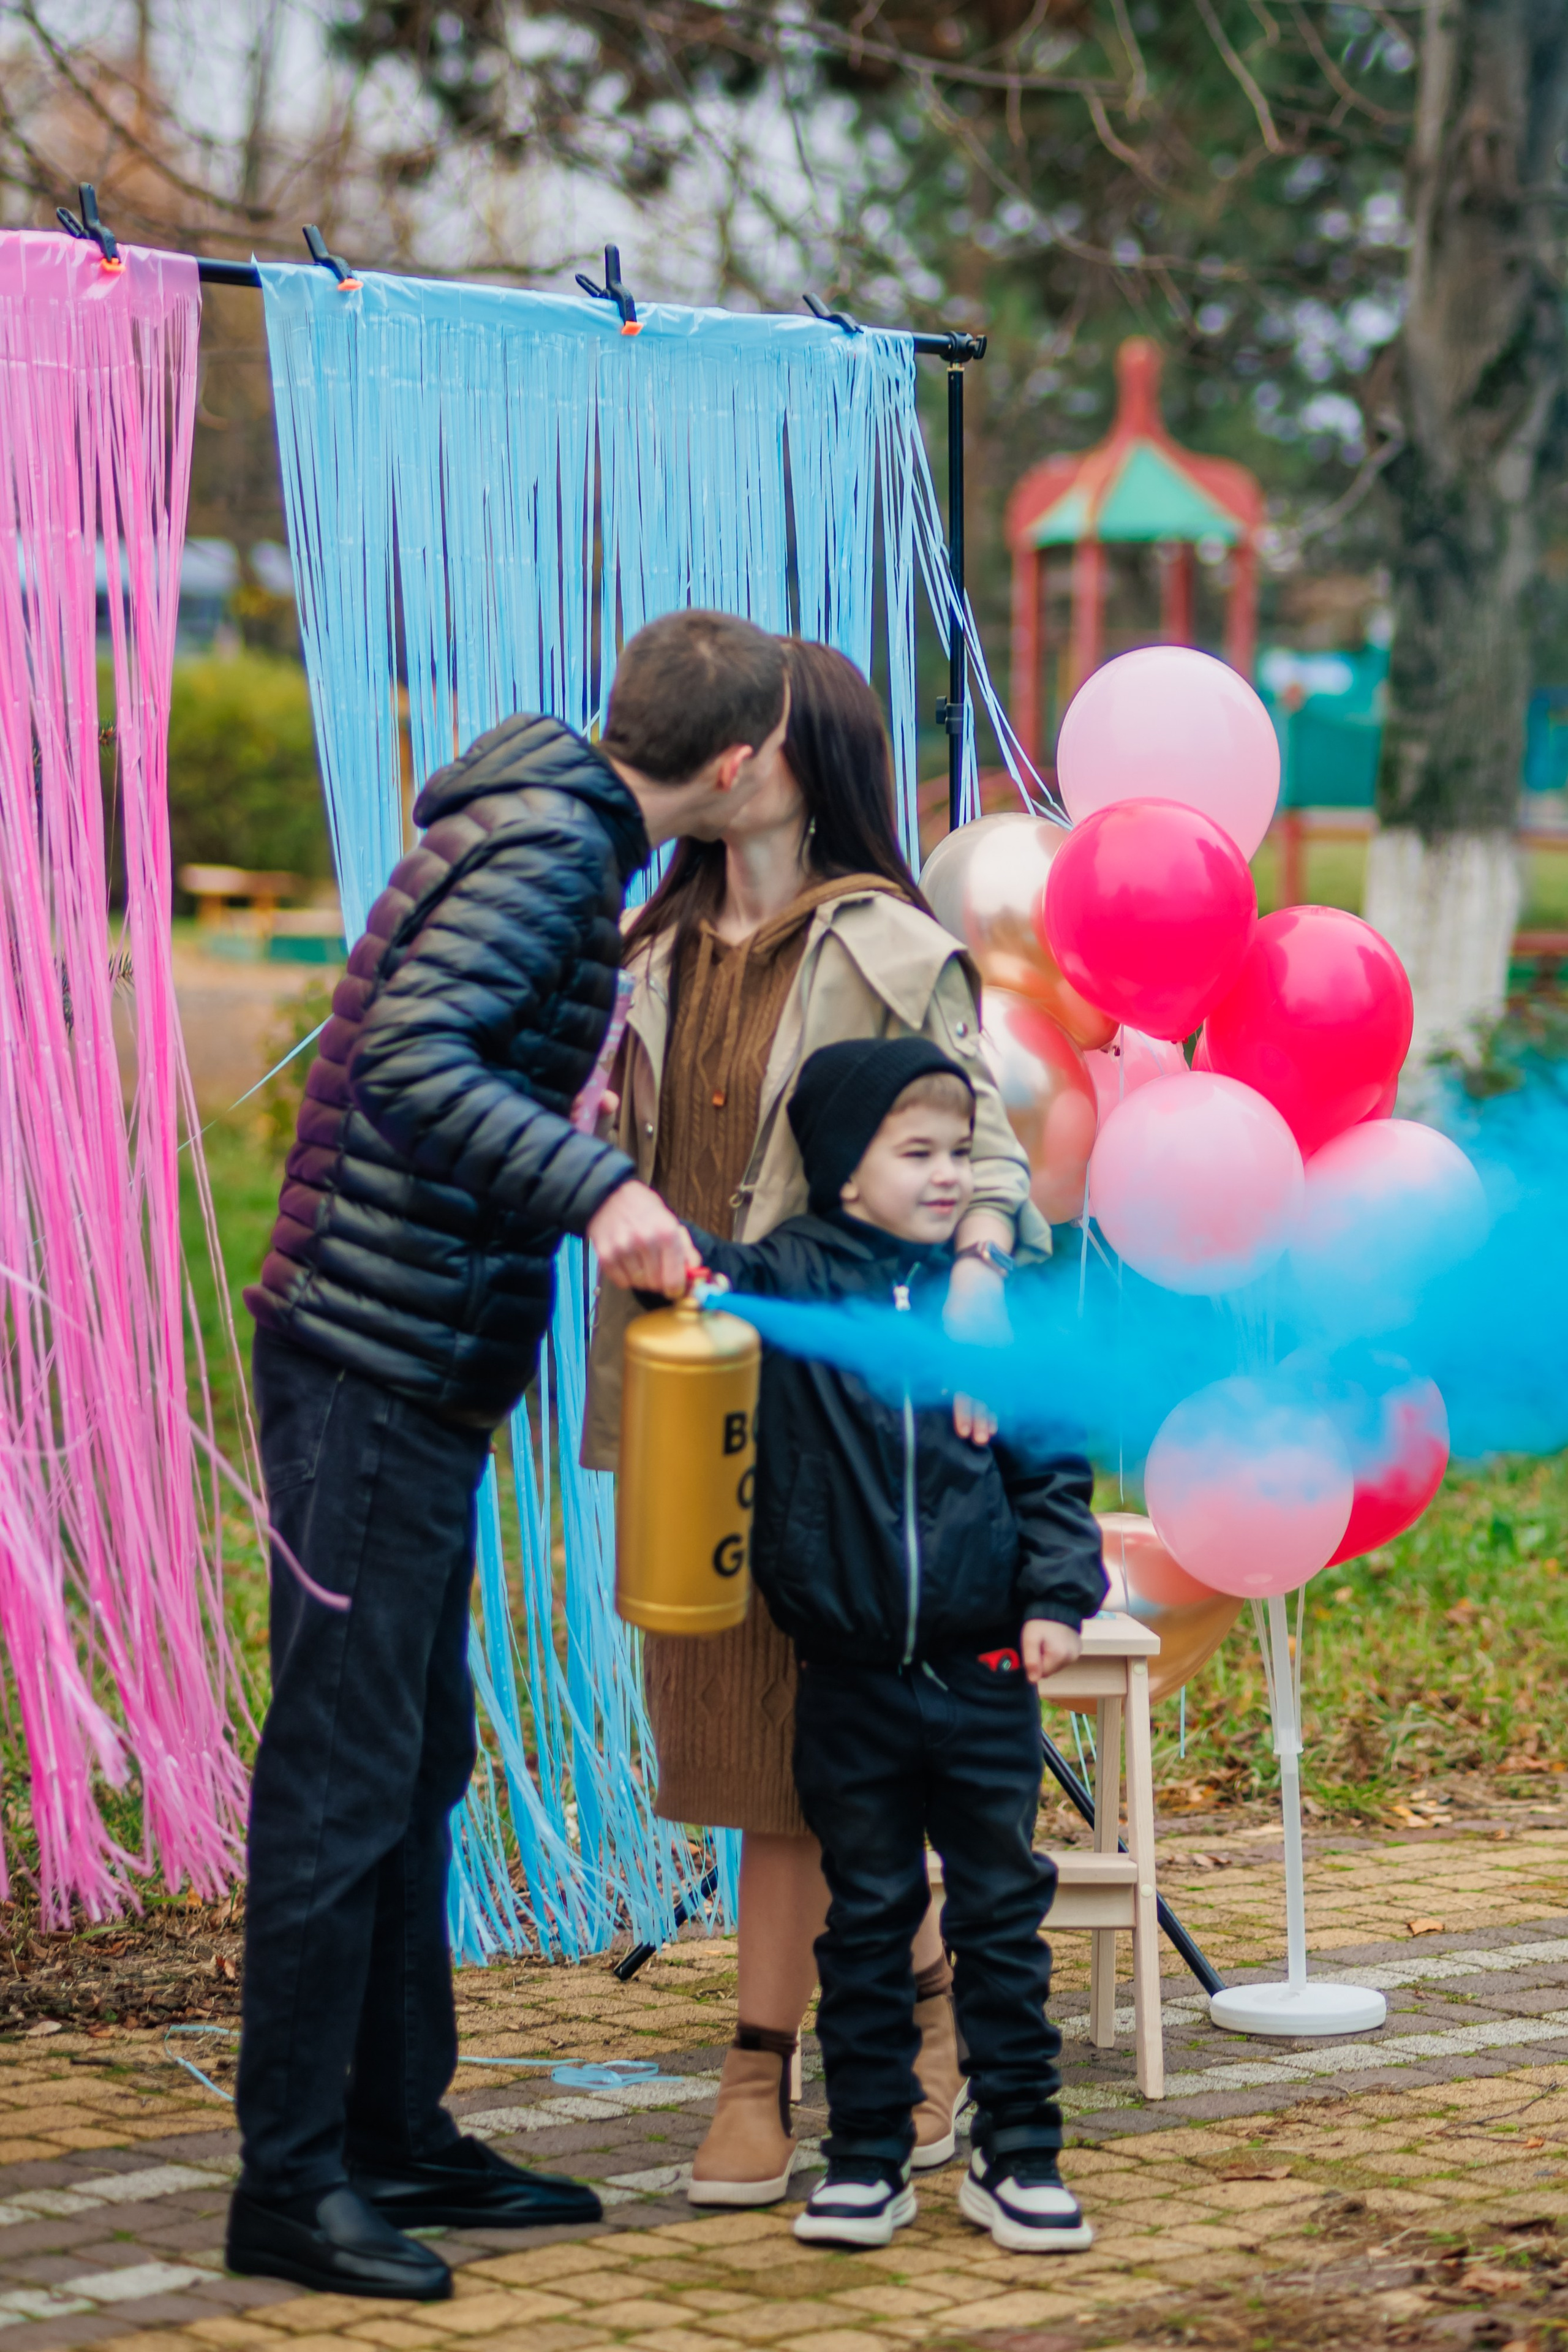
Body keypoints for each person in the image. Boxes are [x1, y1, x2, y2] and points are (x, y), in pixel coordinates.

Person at [230, 610, 791, 2302]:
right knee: (343, 1777)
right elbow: (412, 1061)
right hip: (365, 1359)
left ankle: (398, 2133)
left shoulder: (543, 819)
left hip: (404, 1360)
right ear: (739, 764)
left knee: (416, 1759)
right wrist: (599, 1186)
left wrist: (575, 1115)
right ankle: (291, 2185)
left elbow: (437, 1038)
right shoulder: (555, 856)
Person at [582, 641, 1046, 2204]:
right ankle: (907, 1998)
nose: (732, 749)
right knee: (731, 1744)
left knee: (806, 1754)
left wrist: (978, 1271)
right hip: (679, 1381)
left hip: (836, 1412)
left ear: (803, 748)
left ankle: (763, 2073)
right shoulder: (641, 939)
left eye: (760, 724)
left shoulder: (894, 947)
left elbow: (985, 1147)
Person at [665, 1036, 1107, 2252]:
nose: (947, 1173)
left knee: (998, 1923)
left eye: (958, 1150)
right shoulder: (797, 1284)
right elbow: (703, 1274)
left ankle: (1016, 2154)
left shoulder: (987, 1307)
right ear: (842, 1172)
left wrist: (1054, 1597)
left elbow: (1048, 1467)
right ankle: (866, 2159)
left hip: (981, 1678)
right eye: (916, 1152)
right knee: (862, 1922)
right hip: (847, 1682)